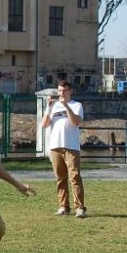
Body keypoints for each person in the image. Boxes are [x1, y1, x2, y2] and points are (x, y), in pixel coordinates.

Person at [40, 80, 86, 217]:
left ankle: (80, 208)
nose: (61, 93)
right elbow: (44, 124)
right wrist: (48, 108)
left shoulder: (77, 105)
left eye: (64, 90)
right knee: (60, 178)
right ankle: (63, 207)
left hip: (71, 146)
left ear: (70, 91)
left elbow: (75, 121)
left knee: (75, 177)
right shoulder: (53, 107)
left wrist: (66, 105)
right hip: (55, 146)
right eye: (59, 91)